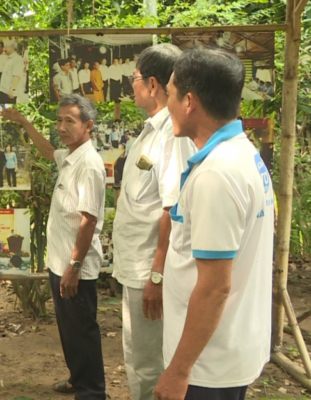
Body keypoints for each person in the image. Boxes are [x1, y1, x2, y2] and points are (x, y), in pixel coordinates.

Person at [153, 48, 275, 400]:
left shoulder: (217, 175)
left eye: (171, 95)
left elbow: (215, 287)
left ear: (189, 101)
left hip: (207, 369)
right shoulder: (242, 154)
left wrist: (178, 371)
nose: (168, 104)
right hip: (223, 352)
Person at [2, 95, 107, 400]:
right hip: (61, 263)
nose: (61, 127)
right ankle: (78, 377)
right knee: (69, 329)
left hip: (75, 268)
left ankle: (92, 391)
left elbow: (88, 220)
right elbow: (48, 151)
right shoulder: (71, 156)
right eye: (59, 121)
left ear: (88, 125)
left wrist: (74, 268)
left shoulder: (88, 165)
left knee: (82, 330)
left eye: (69, 121)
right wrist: (24, 122)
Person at [111, 44, 197, 400]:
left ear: (152, 83)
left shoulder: (172, 137)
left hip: (150, 269)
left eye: (133, 79)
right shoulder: (151, 132)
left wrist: (157, 274)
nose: (131, 86)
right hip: (137, 264)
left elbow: (172, 207)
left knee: (149, 364)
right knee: (140, 358)